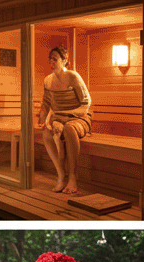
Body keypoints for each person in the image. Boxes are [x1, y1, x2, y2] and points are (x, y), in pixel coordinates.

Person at [37, 46, 93, 194]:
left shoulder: (73, 77)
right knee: (47, 134)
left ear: (65, 60)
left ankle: (73, 177)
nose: (51, 61)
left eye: (55, 59)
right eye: (50, 59)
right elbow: (46, 103)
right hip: (60, 119)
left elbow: (86, 103)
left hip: (79, 118)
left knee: (68, 129)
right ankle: (61, 175)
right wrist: (42, 116)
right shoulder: (48, 80)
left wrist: (66, 114)